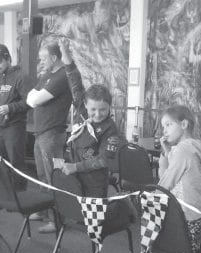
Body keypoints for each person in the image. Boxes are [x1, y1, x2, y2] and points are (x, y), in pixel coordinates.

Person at [57, 38, 126, 198]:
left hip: (94, 182)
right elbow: (74, 80)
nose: (97, 114)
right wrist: (65, 53)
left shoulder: (110, 128)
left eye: (103, 109)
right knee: (74, 210)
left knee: (93, 218)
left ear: (110, 107)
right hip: (75, 177)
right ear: (85, 105)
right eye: (93, 109)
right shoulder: (82, 111)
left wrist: (75, 167)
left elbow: (104, 160)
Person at [158, 105, 201, 253]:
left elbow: (168, 179)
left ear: (183, 125)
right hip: (195, 208)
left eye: (168, 125)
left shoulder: (182, 150)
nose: (164, 130)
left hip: (185, 212)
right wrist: (166, 150)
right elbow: (179, 168)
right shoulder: (192, 146)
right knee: (191, 249)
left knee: (183, 251)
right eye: (163, 126)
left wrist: (152, 194)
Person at [26, 42, 72, 233]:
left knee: (54, 177)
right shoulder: (48, 75)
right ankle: (44, 211)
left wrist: (35, 97)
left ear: (54, 58)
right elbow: (29, 97)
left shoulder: (62, 76)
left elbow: (34, 99)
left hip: (53, 134)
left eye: (44, 58)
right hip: (41, 133)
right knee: (42, 175)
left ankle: (57, 220)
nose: (41, 61)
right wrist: (34, 97)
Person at [0, 44, 31, 191]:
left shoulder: (21, 77)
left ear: (8, 59)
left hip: (14, 128)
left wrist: (10, 108)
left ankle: (20, 195)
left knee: (16, 163)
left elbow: (29, 102)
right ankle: (4, 195)